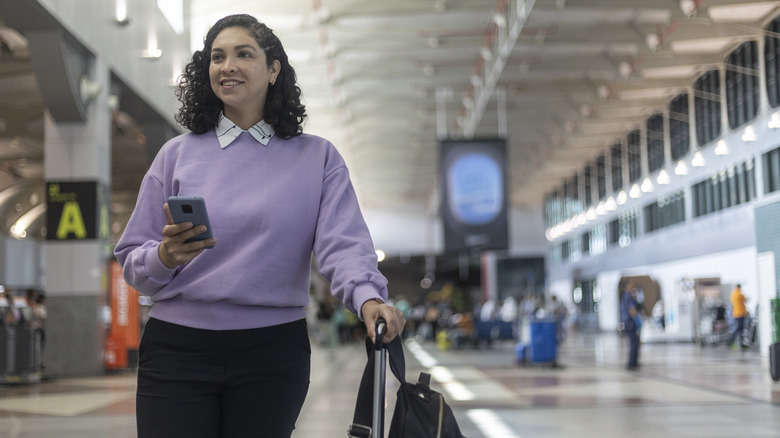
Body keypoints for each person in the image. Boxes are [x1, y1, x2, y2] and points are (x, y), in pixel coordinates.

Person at [113, 14, 405, 438]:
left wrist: (368, 299)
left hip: (272, 351)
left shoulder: (317, 159)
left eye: (243, 54)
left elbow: (342, 246)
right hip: (177, 347)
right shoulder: (175, 155)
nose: (226, 65)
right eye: (217, 57)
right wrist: (163, 256)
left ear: (273, 70)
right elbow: (133, 259)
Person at [620, 283, 640, 370]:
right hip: (630, 323)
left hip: (627, 322)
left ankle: (633, 361)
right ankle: (632, 362)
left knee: (632, 343)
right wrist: (637, 320)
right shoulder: (628, 297)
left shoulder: (624, 297)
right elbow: (632, 310)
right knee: (634, 343)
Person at [727, 284, 748, 351]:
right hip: (741, 313)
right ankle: (733, 341)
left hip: (735, 313)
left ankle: (732, 341)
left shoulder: (733, 294)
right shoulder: (739, 294)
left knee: (739, 328)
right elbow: (745, 300)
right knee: (740, 328)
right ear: (739, 287)